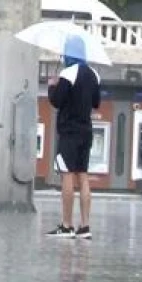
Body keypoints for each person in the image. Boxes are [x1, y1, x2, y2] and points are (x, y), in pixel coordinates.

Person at [47, 35, 102, 240]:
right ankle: (85, 226)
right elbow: (96, 102)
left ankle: (67, 225)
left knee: (67, 175)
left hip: (69, 132)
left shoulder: (68, 73)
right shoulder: (94, 74)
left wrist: (52, 85)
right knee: (83, 176)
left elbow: (57, 101)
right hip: (86, 131)